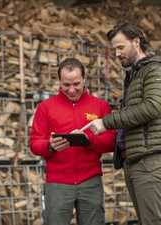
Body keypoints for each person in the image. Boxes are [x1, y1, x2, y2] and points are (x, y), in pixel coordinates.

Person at [89, 23, 161, 225]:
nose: (117, 53)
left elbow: (151, 107)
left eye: (121, 47)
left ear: (136, 42)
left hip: (151, 160)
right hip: (137, 158)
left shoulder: (156, 69)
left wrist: (106, 123)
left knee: (155, 221)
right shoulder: (135, 74)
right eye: (115, 49)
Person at [30, 58, 116, 225]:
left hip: (90, 180)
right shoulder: (45, 107)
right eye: (66, 85)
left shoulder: (101, 106)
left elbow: (111, 141)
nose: (71, 90)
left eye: (76, 84)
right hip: (58, 183)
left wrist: (88, 140)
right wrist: (50, 146)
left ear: (84, 79)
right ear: (59, 82)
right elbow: (34, 143)